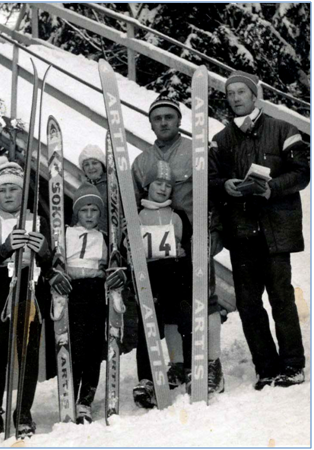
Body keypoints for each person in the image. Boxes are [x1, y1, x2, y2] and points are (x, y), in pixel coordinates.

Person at [209, 70, 309, 390]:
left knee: (281, 297)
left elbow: (302, 172)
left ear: (255, 96)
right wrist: (225, 185)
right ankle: (265, 368)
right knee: (249, 303)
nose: (235, 98)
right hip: (241, 231)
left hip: (275, 229)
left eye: (241, 92)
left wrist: (272, 188)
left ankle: (292, 365)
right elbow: (210, 179)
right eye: (230, 93)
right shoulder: (221, 140)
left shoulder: (283, 129)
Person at [132, 95, 224, 401]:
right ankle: (179, 364)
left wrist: (215, 229)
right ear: (150, 124)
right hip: (159, 245)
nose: (163, 123)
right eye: (157, 118)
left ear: (179, 120)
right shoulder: (142, 161)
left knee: (205, 298)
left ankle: (211, 364)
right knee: (172, 305)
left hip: (193, 235)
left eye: (169, 117)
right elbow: (133, 204)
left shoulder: (195, 151)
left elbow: (214, 191)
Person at [0, 156, 69, 444]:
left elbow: (50, 257)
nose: (7, 195)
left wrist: (43, 250)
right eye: (2, 190)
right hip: (1, 285)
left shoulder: (37, 219)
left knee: (27, 350)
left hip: (31, 283)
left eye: (13, 189)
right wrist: (5, 248)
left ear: (22, 191)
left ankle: (23, 412)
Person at [63, 183, 107, 424]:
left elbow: (112, 264)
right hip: (72, 291)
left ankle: (85, 400)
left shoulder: (104, 237)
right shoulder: (66, 234)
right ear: (76, 213)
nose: (89, 215)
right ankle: (70, 392)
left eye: (94, 210)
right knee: (74, 344)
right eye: (84, 210)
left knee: (93, 345)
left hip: (95, 291)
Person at [78, 145, 107, 235]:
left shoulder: (112, 186)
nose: (91, 167)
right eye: (86, 164)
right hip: (88, 238)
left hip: (108, 237)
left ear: (102, 165)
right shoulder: (82, 190)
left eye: (94, 163)